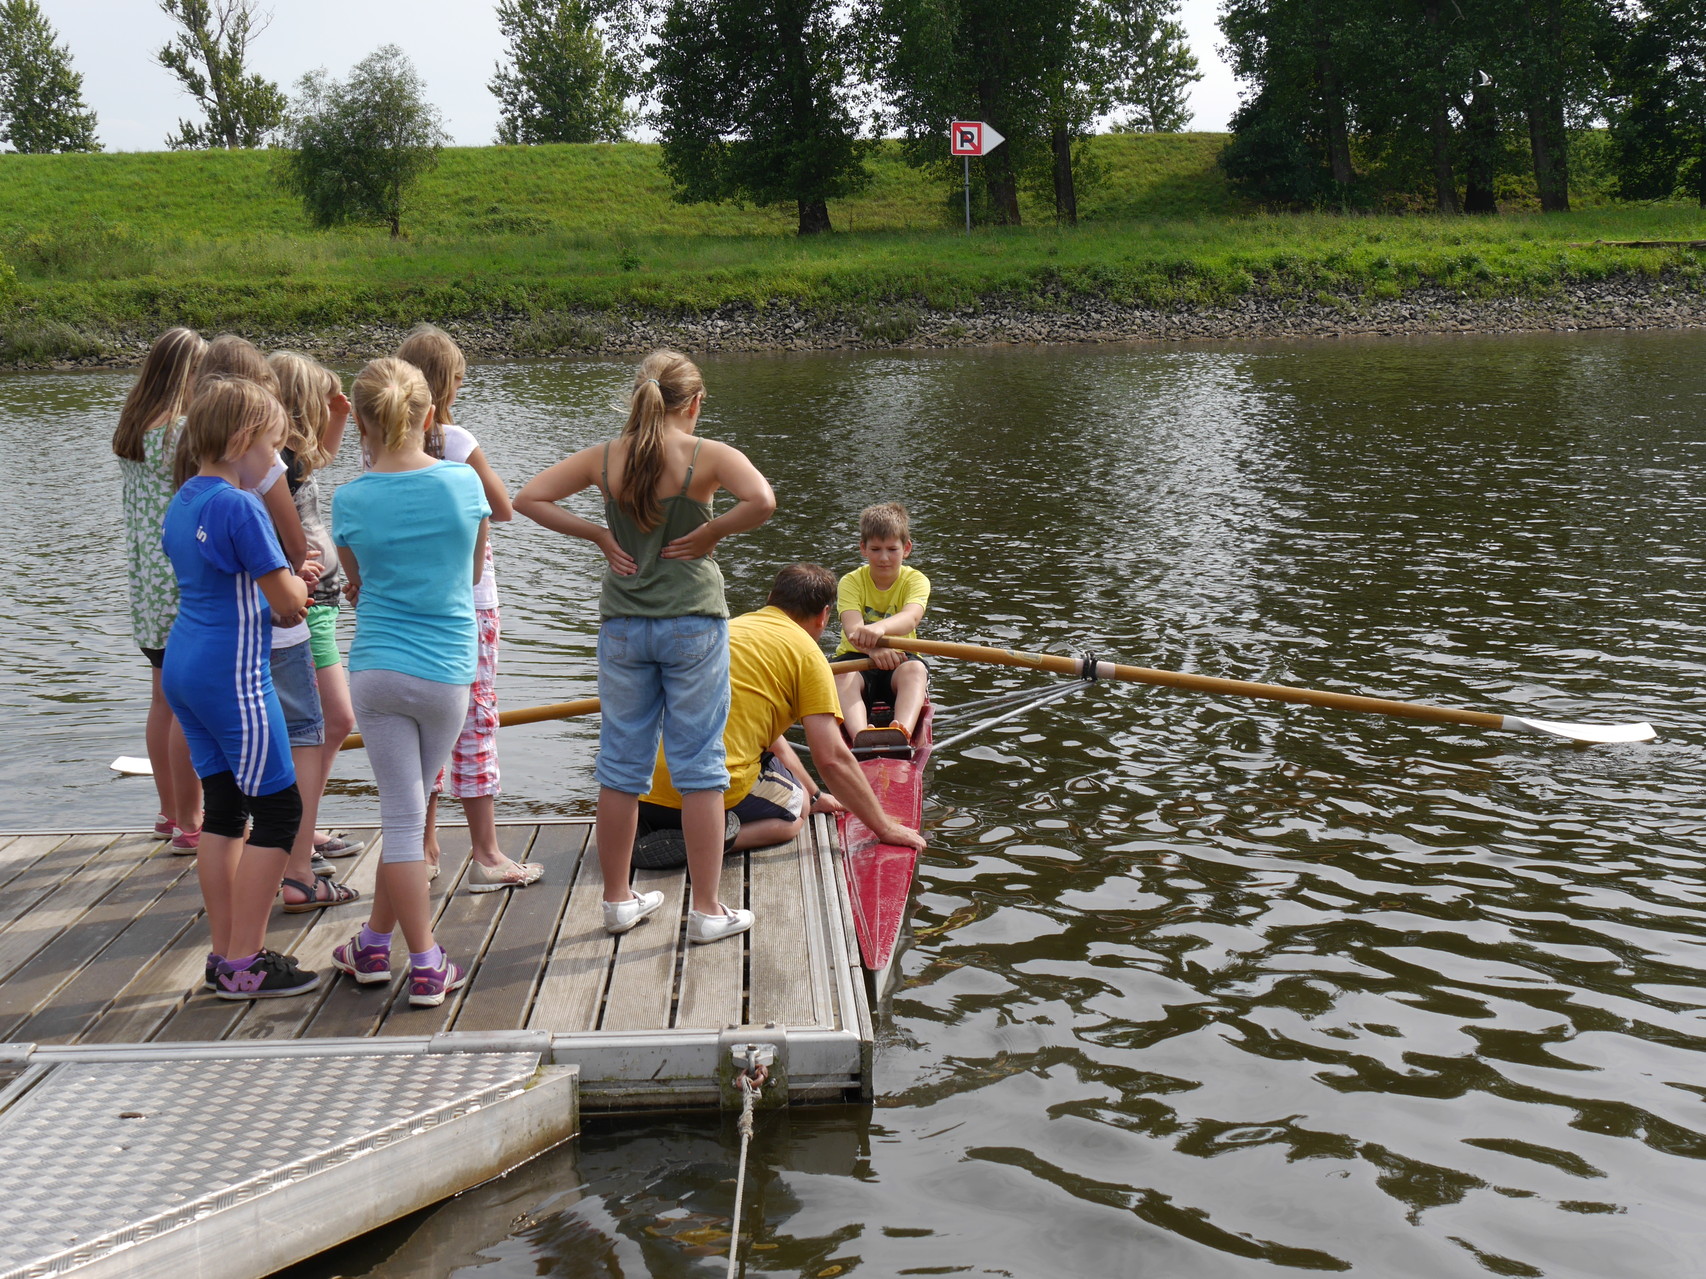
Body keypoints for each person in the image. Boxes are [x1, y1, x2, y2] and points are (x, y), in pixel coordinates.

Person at [514, 349, 775, 945]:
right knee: (701, 768)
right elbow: (761, 500)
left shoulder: (606, 458)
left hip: (624, 626)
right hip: (693, 625)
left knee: (621, 765)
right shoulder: (707, 456)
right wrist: (710, 530)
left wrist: (599, 535)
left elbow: (528, 498)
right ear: (696, 401)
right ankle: (707, 909)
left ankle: (616, 900)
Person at [330, 357, 490, 1007]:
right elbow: (473, 571)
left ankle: (377, 945)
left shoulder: (349, 498)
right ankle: (423, 962)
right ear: (430, 417)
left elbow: (357, 583)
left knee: (402, 815)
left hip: (375, 669)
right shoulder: (462, 484)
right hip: (446, 671)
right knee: (410, 808)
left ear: (361, 424)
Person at [160, 376, 318, 1000]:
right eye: (273, 448)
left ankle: (224, 956)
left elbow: (227, 579)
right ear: (244, 438)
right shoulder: (240, 505)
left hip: (185, 666)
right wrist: (301, 581)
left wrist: (280, 579)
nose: (276, 462)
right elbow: (287, 605)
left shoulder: (186, 499)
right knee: (279, 811)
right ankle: (247, 960)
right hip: (233, 677)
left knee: (225, 810)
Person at [633, 563, 927, 873]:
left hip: (644, 791)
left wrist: (818, 795)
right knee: (795, 811)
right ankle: (706, 840)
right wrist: (883, 826)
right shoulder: (807, 655)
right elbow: (831, 759)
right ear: (824, 615)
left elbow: (774, 740)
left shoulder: (726, 629)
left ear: (771, 597)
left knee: (795, 786)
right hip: (709, 800)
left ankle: (657, 830)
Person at [395, 324, 539, 893]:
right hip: (469, 604)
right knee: (476, 719)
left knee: (425, 725)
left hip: (409, 604)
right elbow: (501, 507)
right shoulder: (455, 440)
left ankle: (427, 848)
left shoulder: (378, 448)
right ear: (443, 388)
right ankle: (485, 853)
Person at [267, 350, 361, 912]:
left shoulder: (292, 458)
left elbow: (320, 455)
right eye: (323, 401)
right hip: (309, 608)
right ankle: (296, 854)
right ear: (302, 403)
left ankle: (303, 827)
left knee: (325, 724)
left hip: (318, 604)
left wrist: (340, 416)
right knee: (333, 720)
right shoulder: (279, 463)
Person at [113, 326, 207, 851]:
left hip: (144, 587)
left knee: (161, 701)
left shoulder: (132, 429)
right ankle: (193, 822)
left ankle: (170, 812)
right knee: (188, 706)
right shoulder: (182, 433)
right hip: (181, 582)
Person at [829, 501, 930, 749]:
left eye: (891, 549)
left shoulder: (915, 580)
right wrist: (874, 650)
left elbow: (911, 617)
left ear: (906, 549)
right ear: (863, 548)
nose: (883, 557)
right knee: (841, 676)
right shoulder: (850, 581)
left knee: (916, 670)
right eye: (875, 549)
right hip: (857, 656)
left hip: (900, 659)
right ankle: (861, 736)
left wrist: (879, 628)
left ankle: (902, 733)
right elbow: (853, 630)